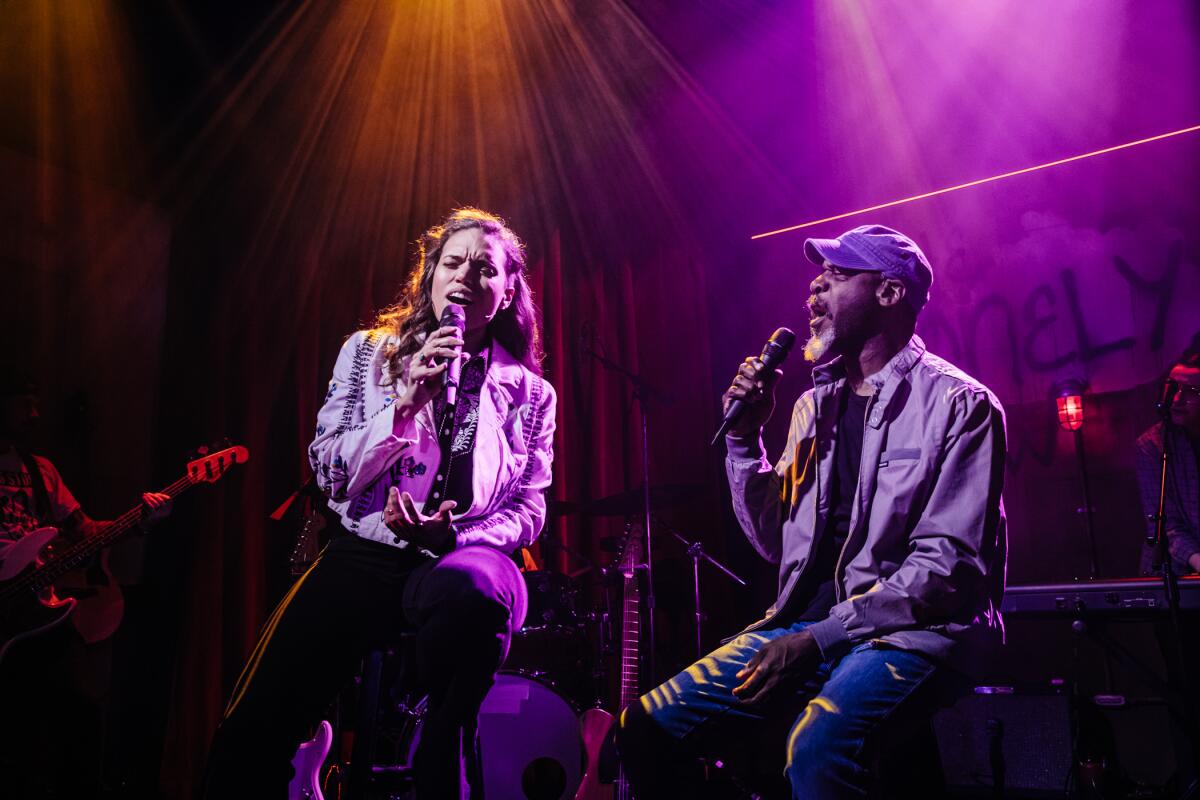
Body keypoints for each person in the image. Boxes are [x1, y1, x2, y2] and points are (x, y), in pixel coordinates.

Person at [617, 224, 1008, 798]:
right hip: (808, 628)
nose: (814, 292)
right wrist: (744, 442)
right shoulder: (811, 408)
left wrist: (820, 639)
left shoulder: (961, 406)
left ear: (890, 293)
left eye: (837, 277)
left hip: (914, 635)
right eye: (816, 279)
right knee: (644, 728)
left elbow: (946, 571)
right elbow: (776, 543)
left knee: (818, 748)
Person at [202, 208, 556, 798]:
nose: (467, 275)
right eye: (454, 261)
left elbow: (529, 509)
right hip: (365, 550)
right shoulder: (368, 353)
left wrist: (459, 538)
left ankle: (437, 761)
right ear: (430, 274)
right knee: (254, 724)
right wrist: (405, 406)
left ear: (508, 288)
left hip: (458, 558)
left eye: (486, 268)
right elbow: (331, 471)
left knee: (478, 589)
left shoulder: (531, 392)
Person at [0, 374, 171, 798]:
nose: (34, 414)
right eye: (23, 403)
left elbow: (87, 531)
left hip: (33, 620)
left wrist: (139, 520)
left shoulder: (41, 471)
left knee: (54, 729)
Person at [1137, 349, 1200, 576]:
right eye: (1174, 388)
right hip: (1173, 575)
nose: (1177, 399)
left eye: (1191, 391)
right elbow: (1166, 526)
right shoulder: (1152, 445)